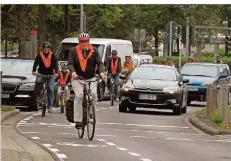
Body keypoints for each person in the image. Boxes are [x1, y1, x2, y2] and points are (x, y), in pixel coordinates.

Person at [67, 33, 105, 128]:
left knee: (94, 94)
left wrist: (101, 72)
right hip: (78, 78)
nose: (84, 44)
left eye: (86, 42)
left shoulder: (94, 51)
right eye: (82, 42)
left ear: (89, 41)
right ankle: (78, 120)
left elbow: (99, 63)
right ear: (79, 42)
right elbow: (70, 63)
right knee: (79, 96)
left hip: (91, 78)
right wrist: (73, 72)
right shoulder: (73, 51)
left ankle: (91, 113)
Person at [32, 42, 59, 113]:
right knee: (38, 82)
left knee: (51, 89)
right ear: (43, 48)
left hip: (50, 75)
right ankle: (38, 96)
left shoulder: (53, 55)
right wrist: (34, 70)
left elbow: (55, 64)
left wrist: (56, 72)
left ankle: (50, 106)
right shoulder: (39, 55)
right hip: (41, 73)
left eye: (47, 48)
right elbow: (36, 63)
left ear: (49, 49)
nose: (46, 49)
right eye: (44, 48)